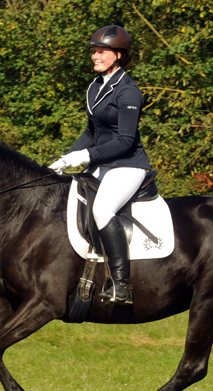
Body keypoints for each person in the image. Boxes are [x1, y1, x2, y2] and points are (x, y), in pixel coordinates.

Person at [50, 25, 151, 305]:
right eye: (94, 51)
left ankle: (121, 284)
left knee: (102, 208)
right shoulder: (95, 87)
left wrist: (84, 157)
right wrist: (65, 158)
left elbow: (125, 141)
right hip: (101, 164)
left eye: (101, 51)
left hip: (127, 165)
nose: (95, 55)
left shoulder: (129, 92)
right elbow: (91, 133)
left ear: (118, 55)